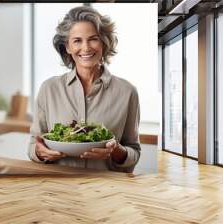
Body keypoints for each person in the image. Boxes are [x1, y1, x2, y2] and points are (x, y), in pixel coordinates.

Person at [27, 6, 140, 173]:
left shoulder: (127, 92)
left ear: (103, 42)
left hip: (107, 190)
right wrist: (40, 152)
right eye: (77, 40)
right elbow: (34, 145)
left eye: (93, 39)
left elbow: (133, 152)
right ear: (67, 47)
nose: (86, 48)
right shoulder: (49, 89)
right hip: (59, 188)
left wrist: (115, 150)